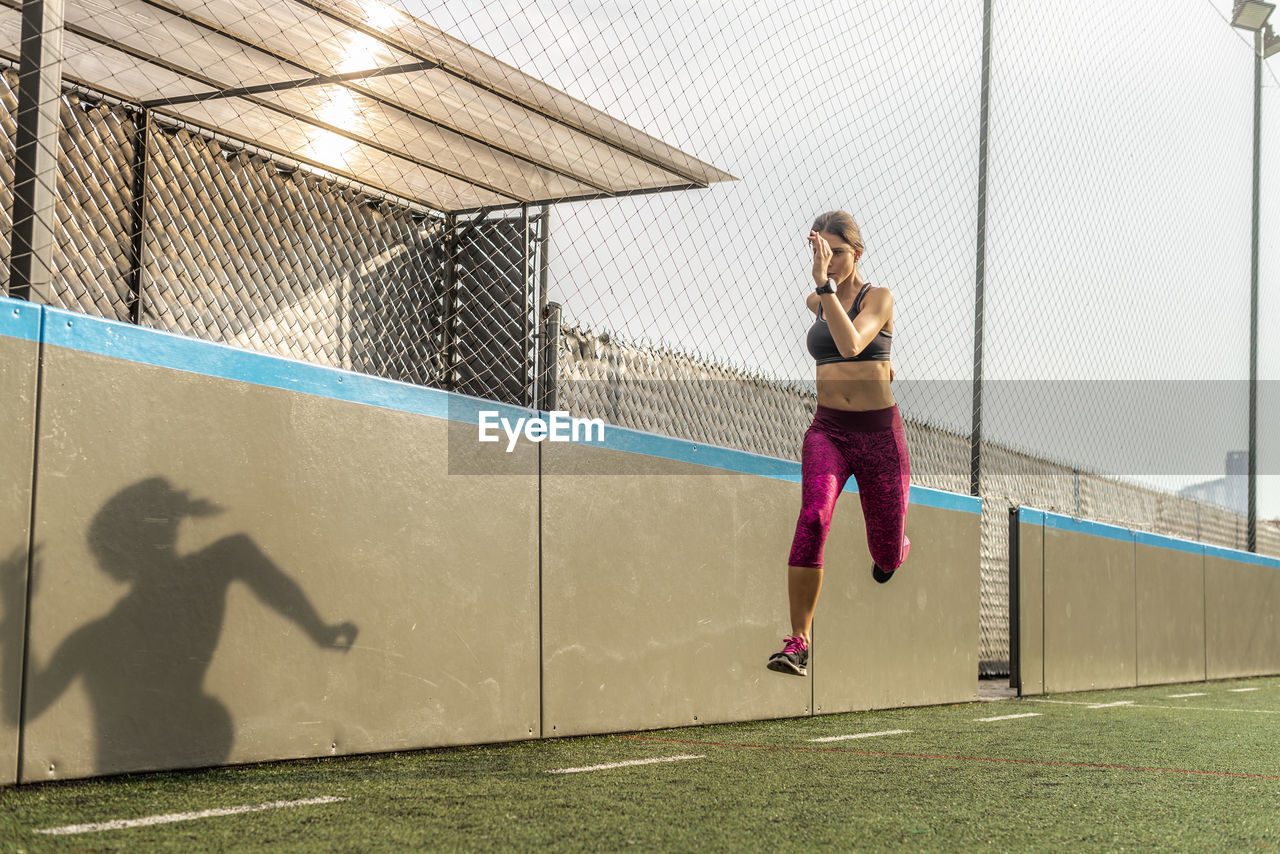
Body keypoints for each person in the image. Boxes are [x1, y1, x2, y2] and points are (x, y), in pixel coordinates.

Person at [766, 211, 911, 677]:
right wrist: (824, 291)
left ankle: (896, 552)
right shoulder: (819, 299)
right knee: (813, 517)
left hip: (879, 437)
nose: (826, 263)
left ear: (858, 253)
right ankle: (798, 642)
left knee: (885, 550)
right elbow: (832, 330)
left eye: (836, 253)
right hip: (828, 431)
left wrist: (826, 291)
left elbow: (851, 345)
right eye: (819, 252)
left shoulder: (880, 298)